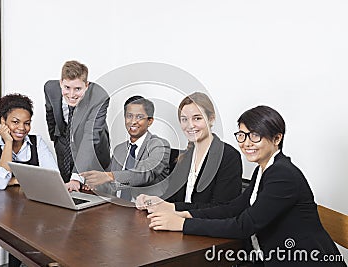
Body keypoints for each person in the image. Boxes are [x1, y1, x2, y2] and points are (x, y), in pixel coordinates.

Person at [144, 105, 346, 266]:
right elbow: (233, 208)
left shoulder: (283, 175)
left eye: (255, 135)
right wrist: (179, 210)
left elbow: (243, 226)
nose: (246, 143)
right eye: (242, 135)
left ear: (277, 138)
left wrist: (182, 225)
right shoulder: (264, 169)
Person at [0, 93, 58, 267]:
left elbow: (52, 177)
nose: (22, 128)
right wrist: (7, 143)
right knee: (19, 233)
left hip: (36, 208)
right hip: (4, 212)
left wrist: (13, 179)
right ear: (3, 122)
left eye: (27, 123)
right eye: (15, 122)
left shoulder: (37, 142)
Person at [136, 92, 242, 210]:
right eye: (184, 119)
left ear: (211, 119)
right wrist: (152, 201)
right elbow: (173, 199)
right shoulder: (184, 157)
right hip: (177, 224)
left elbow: (221, 209)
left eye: (197, 118)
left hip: (203, 227)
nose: (190, 125)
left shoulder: (228, 156)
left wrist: (171, 208)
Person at [80, 96, 170, 200]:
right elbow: (112, 184)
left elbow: (145, 174)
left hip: (146, 209)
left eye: (139, 117)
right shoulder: (120, 149)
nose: (133, 121)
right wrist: (94, 184)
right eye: (129, 116)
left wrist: (108, 176)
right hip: (116, 206)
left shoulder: (159, 145)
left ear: (150, 121)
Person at [44, 60, 110, 187]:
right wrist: (56, 138)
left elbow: (90, 137)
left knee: (93, 192)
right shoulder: (50, 88)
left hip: (93, 149)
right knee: (66, 187)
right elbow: (50, 112)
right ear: (60, 83)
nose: (72, 94)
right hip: (64, 145)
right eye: (67, 88)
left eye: (78, 89)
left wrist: (76, 177)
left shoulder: (99, 96)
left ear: (87, 85)